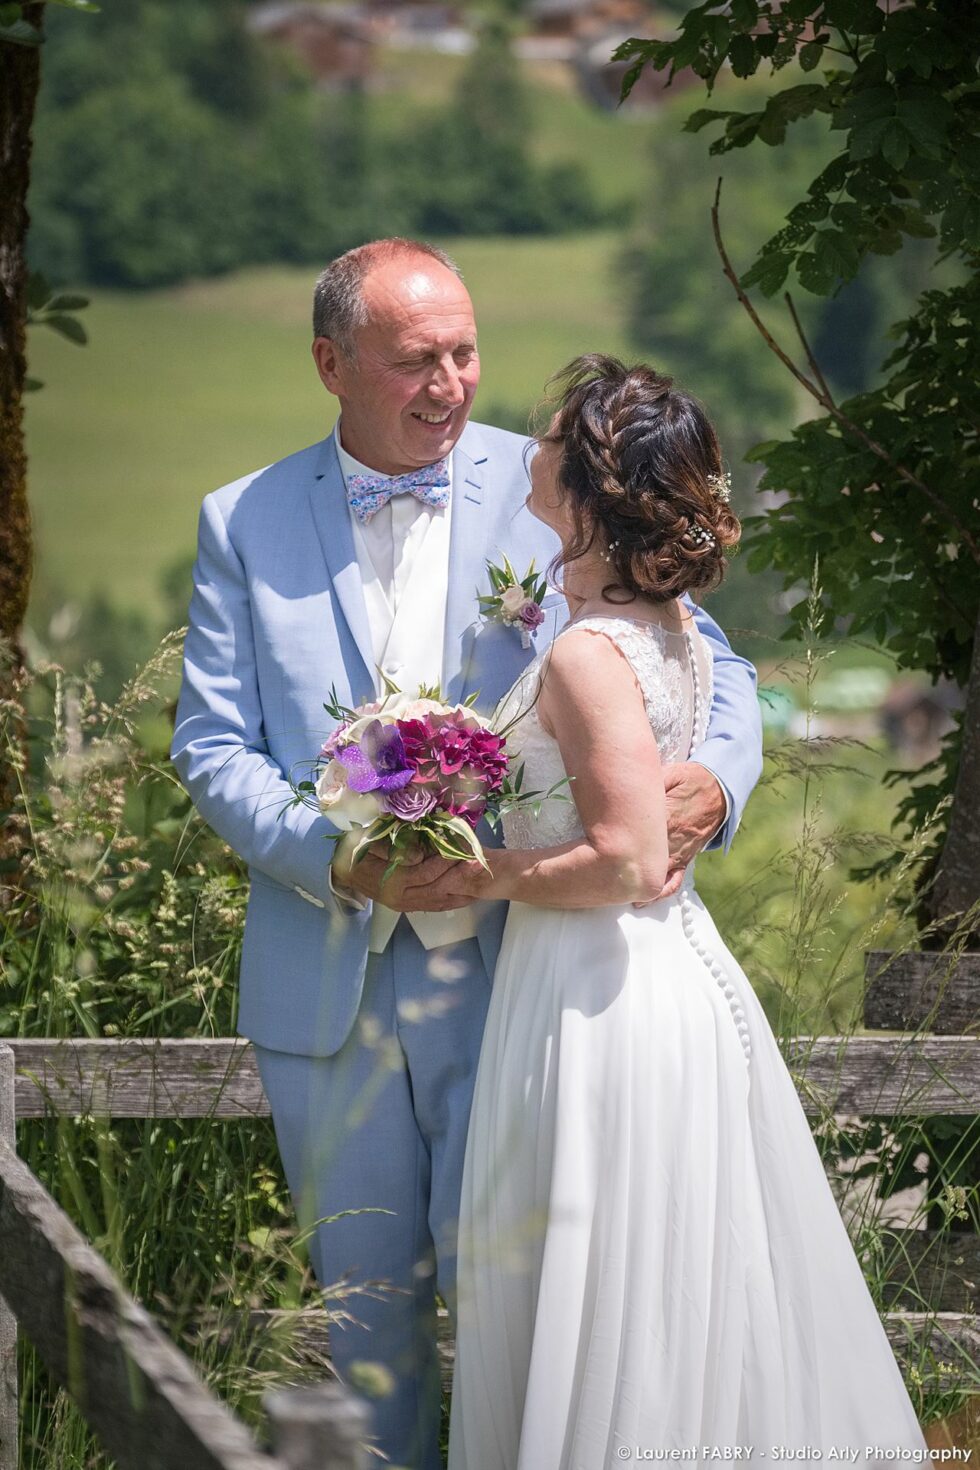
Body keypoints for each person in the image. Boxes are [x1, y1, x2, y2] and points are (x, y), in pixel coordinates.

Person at [169, 242, 764, 1470]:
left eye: (463, 352)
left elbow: (706, 658)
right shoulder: (240, 519)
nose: (449, 385)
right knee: (366, 1323)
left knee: (528, 1311)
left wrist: (717, 777)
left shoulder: (554, 479)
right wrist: (334, 862)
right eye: (412, 361)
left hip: (522, 972)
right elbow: (216, 748)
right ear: (331, 363)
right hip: (327, 983)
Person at [438, 355, 929, 1467]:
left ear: (587, 482)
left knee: (613, 1279)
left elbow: (621, 859)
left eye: (550, 438)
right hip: (640, 973)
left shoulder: (583, 651)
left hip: (596, 992)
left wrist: (487, 873)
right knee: (666, 1286)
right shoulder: (665, 624)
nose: (531, 449)